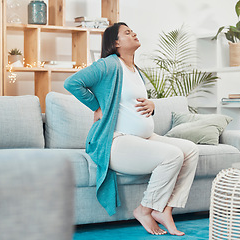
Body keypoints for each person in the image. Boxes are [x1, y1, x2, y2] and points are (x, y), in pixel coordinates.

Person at [64, 22, 199, 236]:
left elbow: (132, 103)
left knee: (190, 150)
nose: (133, 33)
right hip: (117, 142)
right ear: (116, 42)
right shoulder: (109, 65)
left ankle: (165, 209)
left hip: (144, 139)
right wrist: (97, 106)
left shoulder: (137, 71)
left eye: (132, 30)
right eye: (127, 32)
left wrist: (152, 105)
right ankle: (145, 209)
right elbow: (72, 83)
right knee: (173, 155)